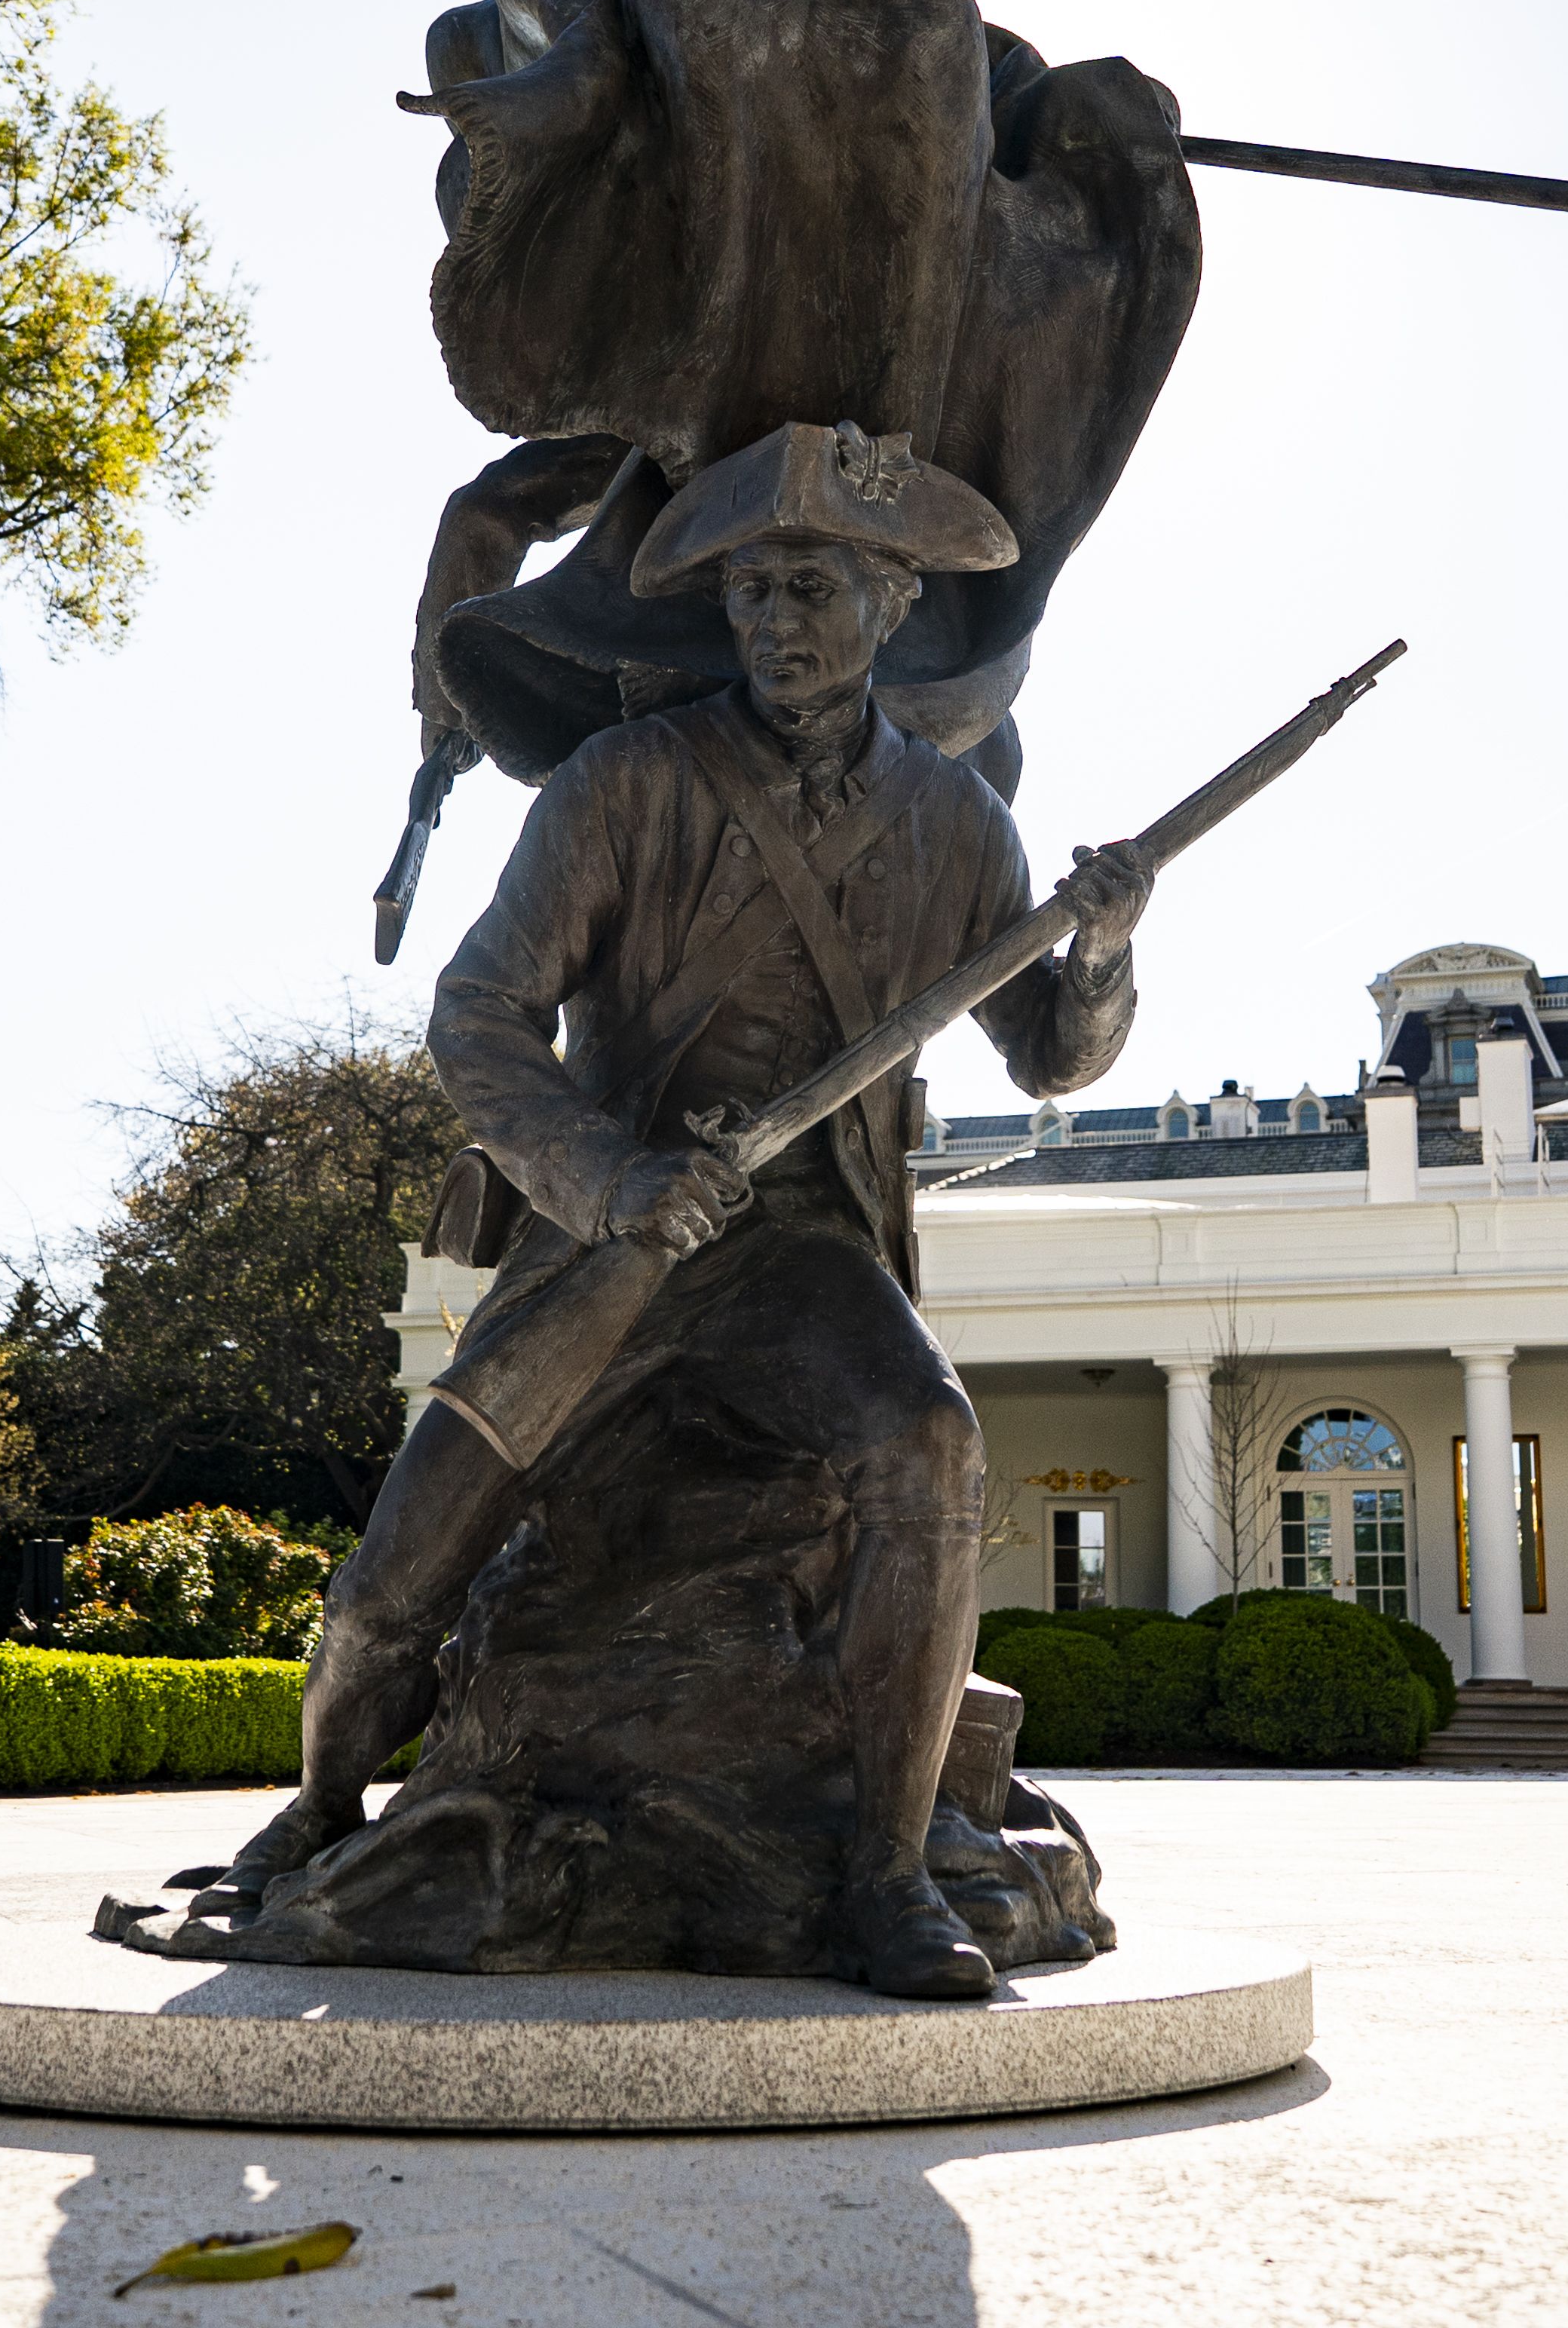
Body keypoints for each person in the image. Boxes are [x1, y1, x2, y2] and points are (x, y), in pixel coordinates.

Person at [222, 421, 1153, 1997]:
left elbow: (1053, 1052)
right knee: (393, 1581)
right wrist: (608, 1177)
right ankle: (319, 1806)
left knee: (927, 1441)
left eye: (812, 589)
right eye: (750, 592)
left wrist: (1109, 951)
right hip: (612, 1245)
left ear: (893, 600)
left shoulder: (956, 826)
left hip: (802, 1256)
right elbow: (480, 1015)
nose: (775, 623)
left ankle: (884, 1874)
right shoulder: (626, 783)